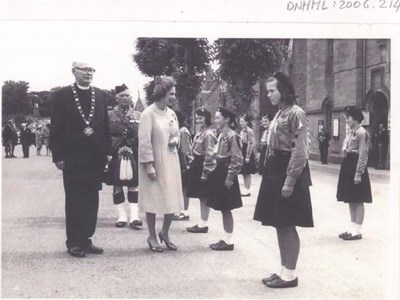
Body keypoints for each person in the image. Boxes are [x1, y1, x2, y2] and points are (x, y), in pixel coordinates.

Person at [254, 72, 313, 289]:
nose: (268, 94)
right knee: (279, 222)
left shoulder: (296, 114)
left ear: (284, 91)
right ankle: (283, 269)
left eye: (272, 90)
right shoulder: (280, 114)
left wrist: (290, 180)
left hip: (288, 170)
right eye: (268, 90)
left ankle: (291, 274)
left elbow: (300, 151)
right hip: (275, 169)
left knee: (288, 223)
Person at [50, 61, 112, 258]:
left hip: (95, 156)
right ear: (74, 71)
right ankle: (74, 241)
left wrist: (108, 151)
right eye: (84, 69)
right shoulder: (62, 95)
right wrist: (58, 155)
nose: (89, 73)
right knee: (75, 199)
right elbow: (56, 126)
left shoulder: (101, 95)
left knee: (92, 199)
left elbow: (105, 126)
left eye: (91, 70)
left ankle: (86, 239)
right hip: (72, 156)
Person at [138, 76, 184, 252]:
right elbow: (144, 141)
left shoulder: (171, 113)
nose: (174, 97)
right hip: (155, 163)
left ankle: (164, 231)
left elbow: (176, 134)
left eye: (174, 94)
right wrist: (149, 164)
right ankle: (151, 235)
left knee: (171, 197)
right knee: (154, 198)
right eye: (171, 94)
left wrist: (175, 139)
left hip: (171, 160)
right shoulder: (148, 114)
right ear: (162, 93)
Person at [206, 107, 243, 251]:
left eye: (218, 118)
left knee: (226, 208)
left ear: (227, 119)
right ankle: (227, 238)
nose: (215, 121)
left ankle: (229, 241)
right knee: (223, 208)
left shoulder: (232, 136)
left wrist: (230, 177)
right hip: (220, 171)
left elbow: (237, 158)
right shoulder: (221, 134)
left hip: (227, 173)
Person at [106, 84, 142, 229]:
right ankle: (121, 216)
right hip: (115, 151)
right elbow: (105, 135)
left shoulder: (139, 115)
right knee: (117, 184)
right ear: (116, 98)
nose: (125, 98)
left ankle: (134, 216)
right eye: (122, 96)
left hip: (134, 151)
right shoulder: (109, 115)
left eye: (127, 95)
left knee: (134, 183)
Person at [337, 106, 372, 241]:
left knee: (358, 199)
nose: (346, 120)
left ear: (356, 119)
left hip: (356, 166)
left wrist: (359, 173)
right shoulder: (352, 132)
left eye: (348, 118)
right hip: (348, 165)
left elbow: (363, 153)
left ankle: (357, 232)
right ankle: (352, 229)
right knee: (351, 198)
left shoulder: (362, 133)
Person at [186, 108, 217, 234]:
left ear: (207, 119)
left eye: (201, 118)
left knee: (204, 196)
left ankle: (203, 224)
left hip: (203, 165)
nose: (198, 120)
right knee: (201, 196)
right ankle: (201, 222)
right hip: (197, 164)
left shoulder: (208, 134)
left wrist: (205, 173)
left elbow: (210, 155)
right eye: (197, 118)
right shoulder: (200, 132)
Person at [173, 110, 193, 221]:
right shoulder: (177, 131)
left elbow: (186, 150)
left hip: (184, 164)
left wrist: (187, 165)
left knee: (184, 189)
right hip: (178, 163)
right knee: (180, 188)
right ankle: (180, 210)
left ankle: (185, 212)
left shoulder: (182, 131)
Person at [239, 115, 257, 197]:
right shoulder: (241, 131)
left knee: (247, 172)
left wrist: (248, 156)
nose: (241, 123)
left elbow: (250, 143)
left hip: (247, 151)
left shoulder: (250, 131)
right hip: (242, 151)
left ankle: (247, 189)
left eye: (243, 121)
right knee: (243, 172)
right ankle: (245, 188)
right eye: (240, 121)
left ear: (247, 122)